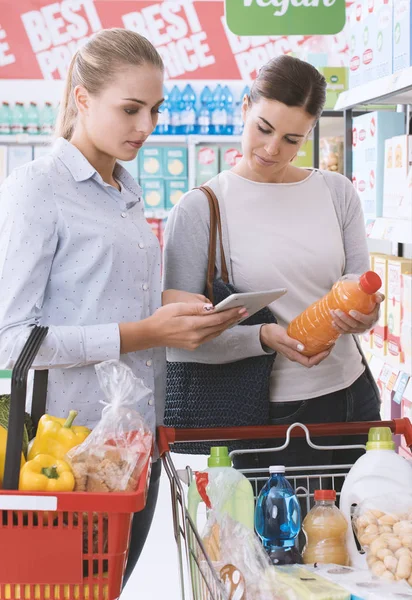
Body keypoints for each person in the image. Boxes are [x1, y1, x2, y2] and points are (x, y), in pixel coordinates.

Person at [0, 29, 245, 585]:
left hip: (133, 443)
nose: (147, 128)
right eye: (131, 109)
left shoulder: (123, 189)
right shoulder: (37, 188)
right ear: (82, 98)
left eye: (155, 110)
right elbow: (12, 338)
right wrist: (142, 331)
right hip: (66, 451)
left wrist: (176, 309)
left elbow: (98, 300)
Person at [163, 55, 383, 475]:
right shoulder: (202, 209)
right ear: (245, 107)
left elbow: (358, 281)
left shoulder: (337, 193)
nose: (271, 149)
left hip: (354, 396)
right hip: (269, 414)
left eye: (291, 139)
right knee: (284, 539)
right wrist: (260, 337)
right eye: (263, 129)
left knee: (363, 533)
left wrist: (365, 314)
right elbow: (177, 340)